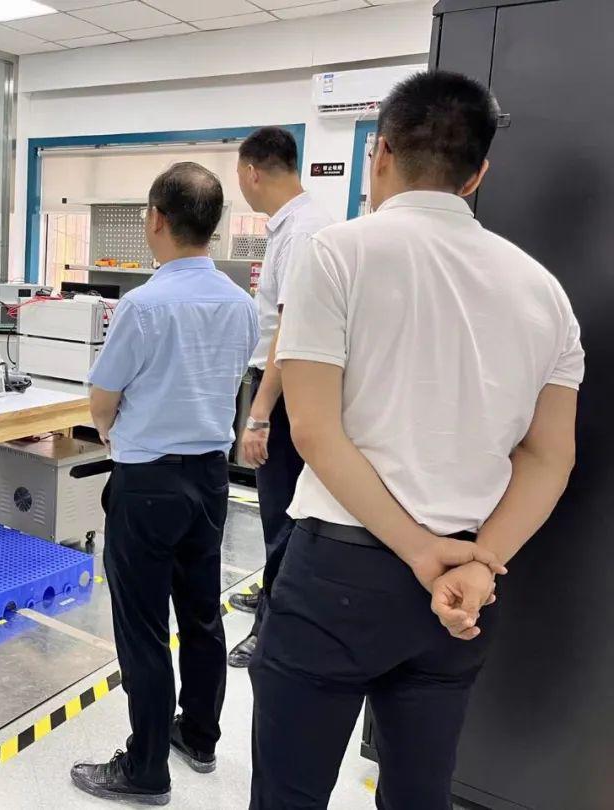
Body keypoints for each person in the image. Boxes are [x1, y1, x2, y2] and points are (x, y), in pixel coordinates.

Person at [249, 70, 583, 809]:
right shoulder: (544, 292)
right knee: (419, 795)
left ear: (382, 153)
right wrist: (481, 561)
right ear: (478, 173)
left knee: (290, 793)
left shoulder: (336, 253)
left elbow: (314, 429)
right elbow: (549, 456)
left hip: (341, 571)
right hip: (464, 587)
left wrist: (416, 549)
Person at [71, 162, 260, 806]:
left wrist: (112, 431)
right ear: (215, 226)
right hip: (209, 480)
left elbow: (103, 399)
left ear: (155, 219)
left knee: (144, 626)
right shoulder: (241, 304)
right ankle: (199, 737)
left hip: (148, 481)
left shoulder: (144, 305)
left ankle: (146, 768)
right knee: (202, 613)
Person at [228, 127, 334, 669]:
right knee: (280, 512)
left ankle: (270, 627)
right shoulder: (300, 223)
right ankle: (272, 593)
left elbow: (289, 332)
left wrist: (260, 414)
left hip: (287, 394)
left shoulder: (301, 232)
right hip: (290, 388)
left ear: (251, 172)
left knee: (283, 514)